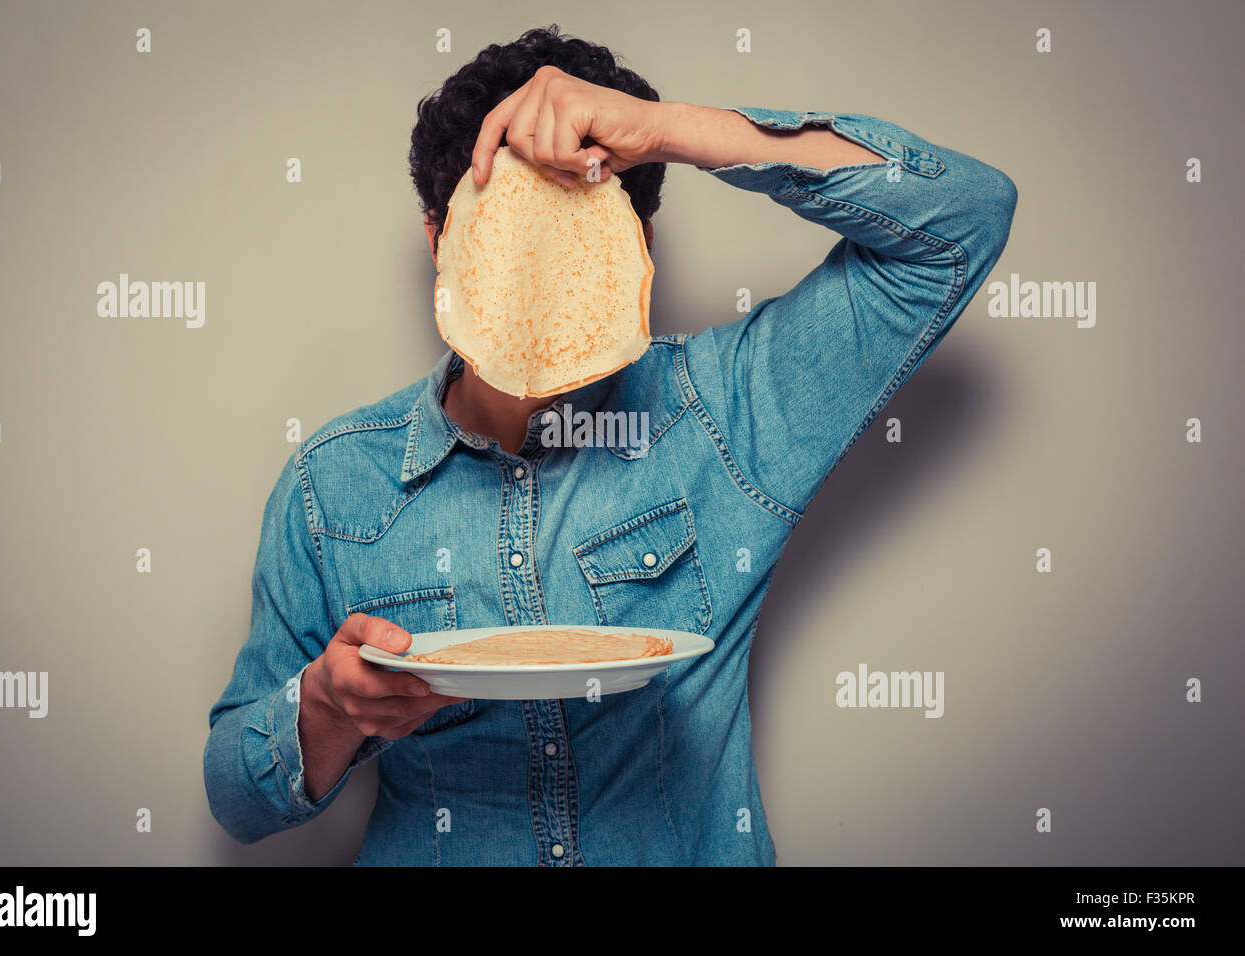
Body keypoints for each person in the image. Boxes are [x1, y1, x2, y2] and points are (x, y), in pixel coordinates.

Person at [204, 25, 1017, 865]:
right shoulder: (332, 483)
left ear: (641, 251)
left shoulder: (726, 412)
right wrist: (326, 714)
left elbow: (967, 216)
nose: (537, 273)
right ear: (440, 245)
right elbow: (235, 798)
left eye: (576, 230)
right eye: (507, 235)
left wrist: (673, 130)